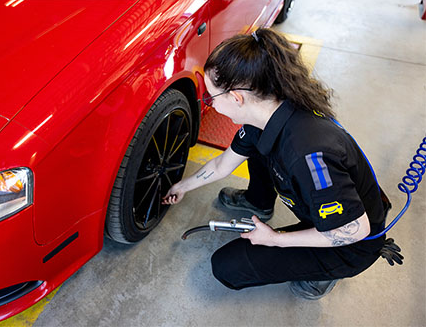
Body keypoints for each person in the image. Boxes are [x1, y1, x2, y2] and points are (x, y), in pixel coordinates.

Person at [162, 28, 391, 299]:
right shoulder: (269, 113)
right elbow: (224, 164)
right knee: (258, 149)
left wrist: (275, 239)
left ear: (237, 98)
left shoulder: (309, 155)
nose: (210, 103)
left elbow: (354, 230)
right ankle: (258, 201)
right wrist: (182, 186)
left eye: (211, 96)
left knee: (227, 267)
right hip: (324, 208)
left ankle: (327, 272)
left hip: (350, 243)